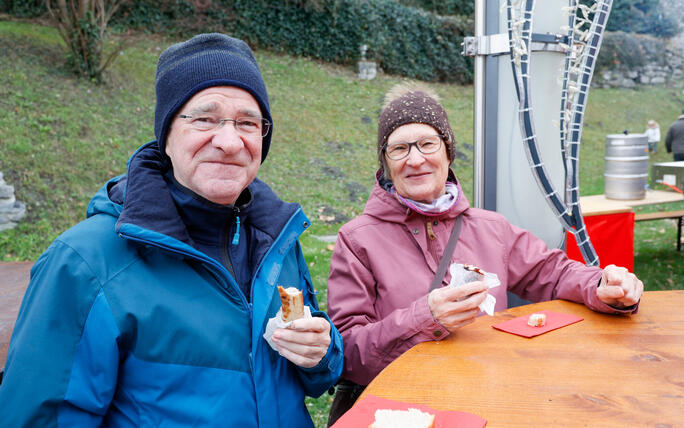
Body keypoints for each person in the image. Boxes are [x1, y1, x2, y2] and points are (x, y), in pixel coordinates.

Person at [0, 33, 343, 427]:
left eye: (248, 122)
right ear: (166, 135)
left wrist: (322, 351)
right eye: (204, 119)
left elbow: (319, 370)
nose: (230, 141)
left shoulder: (277, 239)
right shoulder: (85, 263)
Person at [325, 83, 643, 426]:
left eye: (427, 143)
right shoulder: (358, 240)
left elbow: (555, 272)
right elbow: (347, 354)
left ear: (448, 153)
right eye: (399, 148)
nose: (415, 159)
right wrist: (425, 318)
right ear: (386, 164)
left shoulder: (491, 228)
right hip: (402, 412)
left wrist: (601, 285)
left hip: (484, 406)